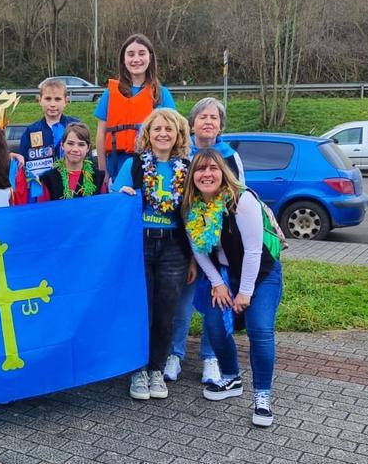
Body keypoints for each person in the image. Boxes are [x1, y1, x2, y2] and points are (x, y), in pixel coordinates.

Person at [181, 148, 284, 427]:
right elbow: (198, 249)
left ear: (223, 173)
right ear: (192, 176)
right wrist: (217, 283)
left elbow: (253, 252)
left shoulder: (242, 199)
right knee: (214, 324)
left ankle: (262, 397)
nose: (206, 174)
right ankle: (231, 377)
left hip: (260, 273)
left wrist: (245, 293)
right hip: (225, 274)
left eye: (213, 168)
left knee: (259, 329)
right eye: (200, 170)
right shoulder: (192, 206)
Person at [113, 108, 195, 401]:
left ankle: (156, 369)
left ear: (178, 135)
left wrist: (195, 258)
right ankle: (137, 369)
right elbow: (115, 199)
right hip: (140, 244)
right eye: (157, 128)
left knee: (165, 312)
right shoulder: (133, 164)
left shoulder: (187, 167)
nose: (162, 134)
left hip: (174, 247)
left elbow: (196, 215)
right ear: (147, 134)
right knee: (141, 310)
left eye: (169, 129)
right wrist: (121, 194)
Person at [165, 97, 246, 384]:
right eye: (203, 117)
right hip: (186, 240)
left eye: (214, 117)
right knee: (182, 301)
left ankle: (211, 358)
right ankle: (175, 353)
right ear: (193, 123)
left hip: (219, 244)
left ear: (221, 125)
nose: (208, 122)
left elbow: (241, 195)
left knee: (216, 299)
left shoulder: (230, 156)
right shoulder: (182, 155)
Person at [95, 34, 176, 180]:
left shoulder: (162, 94)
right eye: (130, 54)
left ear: (150, 58)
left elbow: (175, 133)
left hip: (153, 169)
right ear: (123, 59)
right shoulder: (110, 94)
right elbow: (101, 133)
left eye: (142, 53)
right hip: (117, 168)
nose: (136, 59)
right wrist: (103, 172)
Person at [20, 78, 81, 198]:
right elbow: (24, 163)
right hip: (43, 190)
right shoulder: (31, 131)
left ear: (66, 101)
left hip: (73, 188)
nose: (52, 104)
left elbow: (86, 157)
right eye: (48, 99)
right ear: (40, 101)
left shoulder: (75, 126)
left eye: (58, 99)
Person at [38, 123, 107, 201]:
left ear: (88, 148)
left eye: (81, 145)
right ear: (62, 145)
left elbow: (103, 208)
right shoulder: (48, 179)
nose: (75, 149)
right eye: (70, 143)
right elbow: (42, 210)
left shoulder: (98, 177)